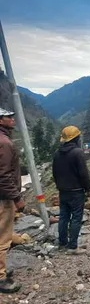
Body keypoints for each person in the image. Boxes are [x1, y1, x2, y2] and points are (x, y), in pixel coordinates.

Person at [52, 126, 90, 255]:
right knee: (76, 218)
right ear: (76, 138)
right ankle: (73, 246)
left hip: (63, 191)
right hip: (77, 191)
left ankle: (62, 242)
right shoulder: (78, 152)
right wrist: (87, 189)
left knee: (63, 216)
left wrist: (59, 186)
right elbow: (83, 174)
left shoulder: (57, 153)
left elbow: (55, 173)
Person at [0, 108, 24, 294]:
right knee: (2, 238)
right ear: (1, 121)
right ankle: (1, 279)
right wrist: (17, 197)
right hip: (3, 198)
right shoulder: (5, 143)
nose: (13, 119)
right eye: (9, 117)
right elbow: (4, 175)